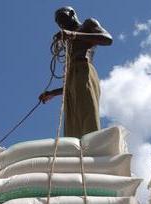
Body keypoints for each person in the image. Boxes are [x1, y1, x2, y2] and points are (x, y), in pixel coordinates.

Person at [38, 6, 112, 138]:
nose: (61, 24)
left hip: (84, 68)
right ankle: (75, 148)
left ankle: (93, 145)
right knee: (72, 124)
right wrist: (52, 93)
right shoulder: (68, 43)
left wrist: (74, 35)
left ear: (72, 14)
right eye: (58, 22)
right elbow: (70, 85)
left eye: (62, 18)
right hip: (71, 77)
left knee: (87, 115)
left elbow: (107, 39)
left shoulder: (87, 24)